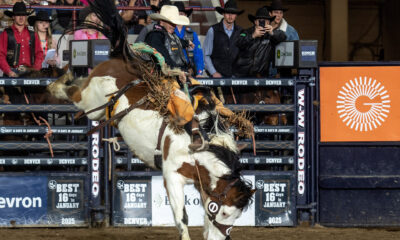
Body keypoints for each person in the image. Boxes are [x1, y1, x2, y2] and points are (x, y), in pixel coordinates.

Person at [233, 6, 286, 78]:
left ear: (269, 22)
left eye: (266, 21)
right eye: (260, 21)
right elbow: (239, 42)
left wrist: (272, 32)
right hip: (243, 75)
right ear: (255, 21)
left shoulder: (271, 35)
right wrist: (253, 36)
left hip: (261, 76)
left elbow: (283, 37)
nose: (263, 23)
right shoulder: (246, 32)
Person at [0, 2, 44, 77]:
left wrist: (35, 70)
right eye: (18, 15)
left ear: (26, 17)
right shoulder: (6, 33)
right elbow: (0, 55)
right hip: (12, 71)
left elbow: (39, 53)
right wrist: (8, 71)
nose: (21, 18)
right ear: (13, 17)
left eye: (23, 15)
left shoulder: (32, 33)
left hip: (30, 72)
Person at [145, 4, 192, 72]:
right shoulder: (155, 35)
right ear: (162, 21)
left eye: (175, 23)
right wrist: (178, 72)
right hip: (165, 76)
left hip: (176, 73)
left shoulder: (169, 35)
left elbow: (175, 42)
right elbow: (164, 58)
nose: (174, 26)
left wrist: (187, 43)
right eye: (171, 23)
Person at [203, 0, 243, 78]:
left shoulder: (241, 31)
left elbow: (243, 55)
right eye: (228, 13)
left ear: (236, 15)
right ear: (223, 14)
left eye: (233, 13)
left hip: (235, 77)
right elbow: (206, 55)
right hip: (216, 77)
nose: (230, 16)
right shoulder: (213, 30)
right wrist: (213, 72)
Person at [173, 2, 204, 78]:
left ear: (185, 15)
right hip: (172, 72)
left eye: (181, 13)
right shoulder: (168, 32)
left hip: (189, 73)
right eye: (177, 13)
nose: (179, 16)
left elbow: (198, 55)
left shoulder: (192, 34)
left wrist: (199, 73)